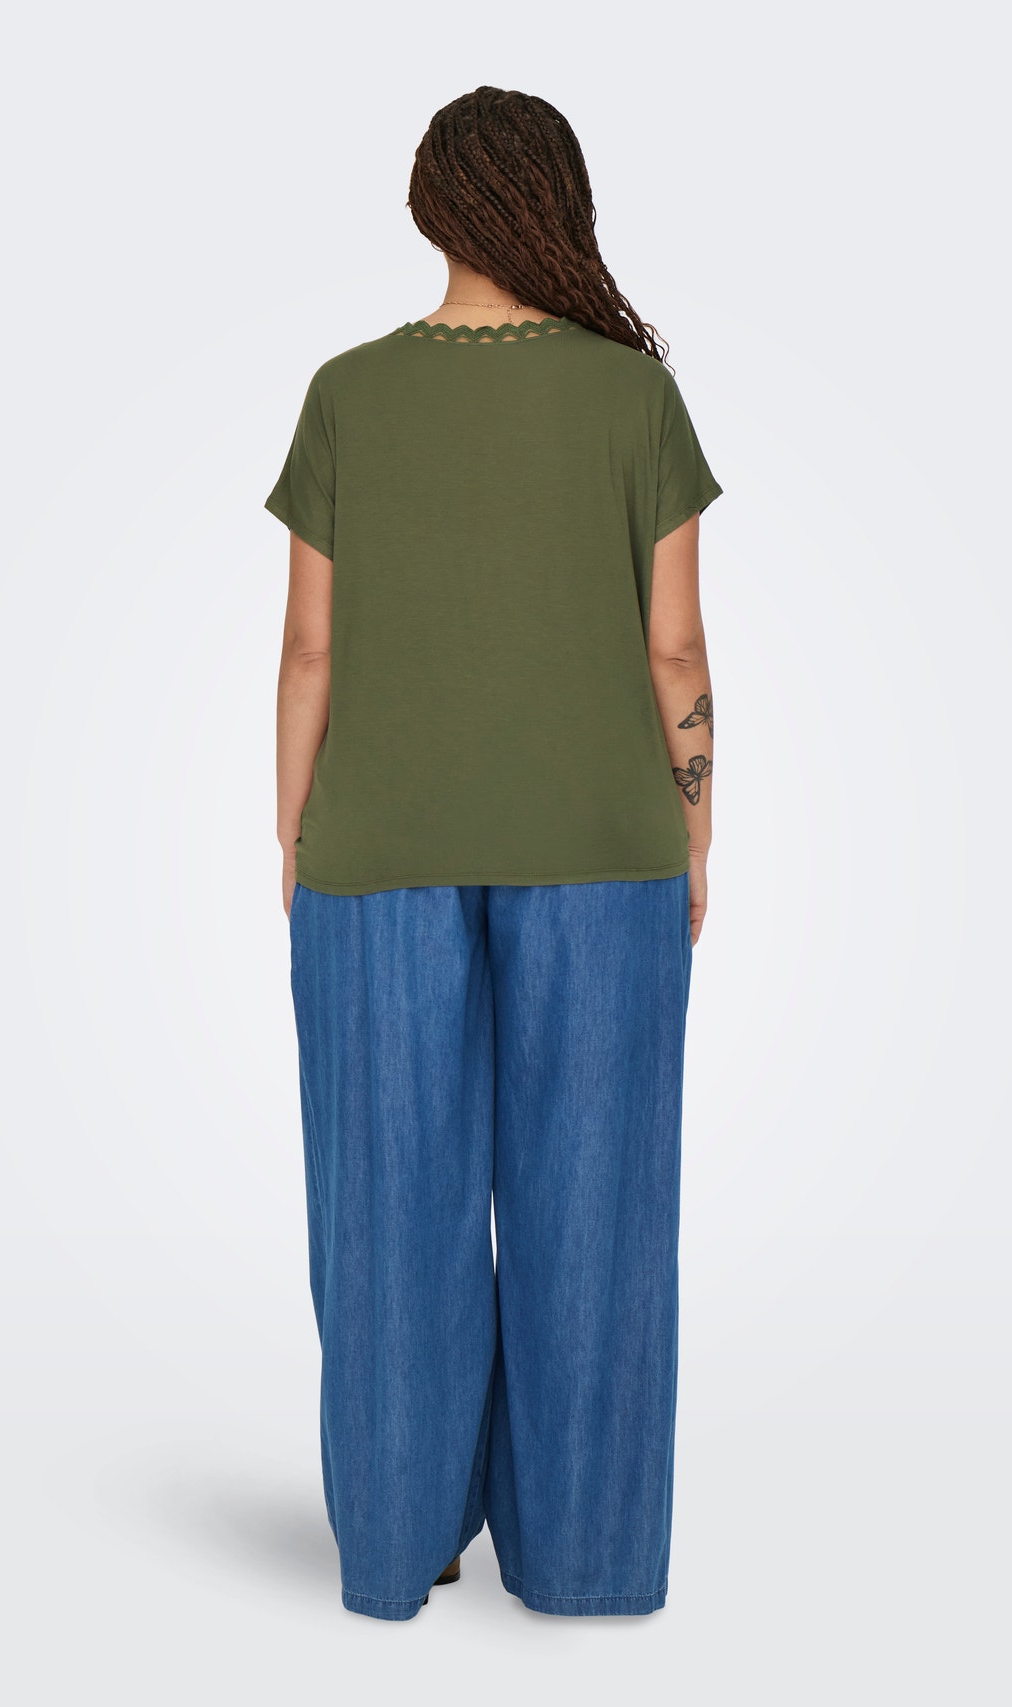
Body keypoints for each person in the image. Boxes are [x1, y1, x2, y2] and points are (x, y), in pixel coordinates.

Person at [264, 85, 723, 1622]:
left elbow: (310, 651)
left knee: (389, 1215)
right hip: (604, 846)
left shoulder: (347, 395)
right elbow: (674, 651)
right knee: (597, 1209)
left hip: (376, 849)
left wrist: (294, 834)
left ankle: (403, 1543)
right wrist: (696, 827)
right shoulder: (634, 399)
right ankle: (585, 1561)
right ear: (559, 204)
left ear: (430, 207)